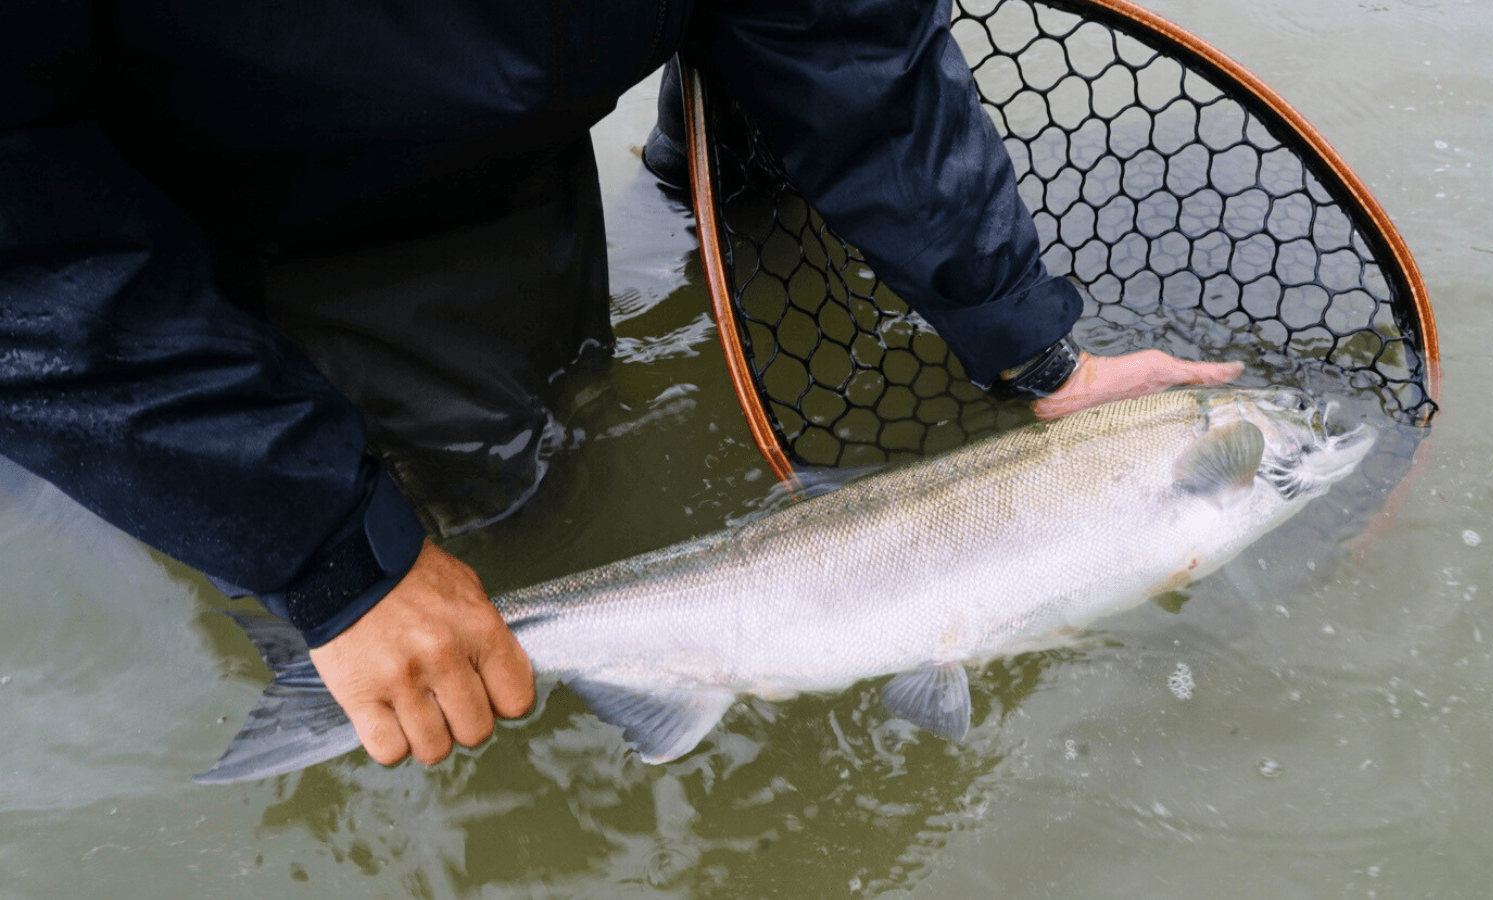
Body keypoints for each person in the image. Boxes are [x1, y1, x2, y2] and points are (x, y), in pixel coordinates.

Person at [0, 0, 1239, 773]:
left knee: (540, 474)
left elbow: (850, 38)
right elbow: (28, 255)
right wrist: (331, 561)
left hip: (503, 90)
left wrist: (1030, 339)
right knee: (438, 536)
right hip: (193, 164)